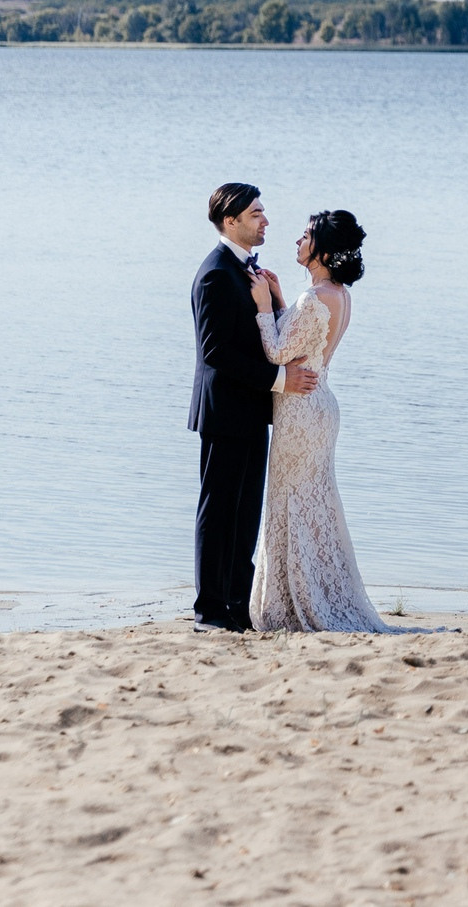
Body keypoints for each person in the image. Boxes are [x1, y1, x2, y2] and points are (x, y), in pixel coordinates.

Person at [248, 209, 408, 632]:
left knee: (291, 502)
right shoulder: (337, 294)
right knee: (312, 503)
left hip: (300, 409)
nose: (297, 241)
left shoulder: (315, 298)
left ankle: (296, 603)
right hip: (320, 405)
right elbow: (305, 343)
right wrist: (280, 300)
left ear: (323, 249)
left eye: (305, 235)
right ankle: (313, 593)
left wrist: (263, 307)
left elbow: (278, 353)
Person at [187, 183, 320, 633]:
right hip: (224, 412)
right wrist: (281, 380)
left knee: (245, 516)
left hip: (251, 411)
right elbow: (216, 352)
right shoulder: (215, 274)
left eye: (263, 212)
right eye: (256, 213)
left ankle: (238, 606)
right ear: (231, 221)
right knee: (218, 511)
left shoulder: (249, 270)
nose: (265, 220)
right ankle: (209, 612)